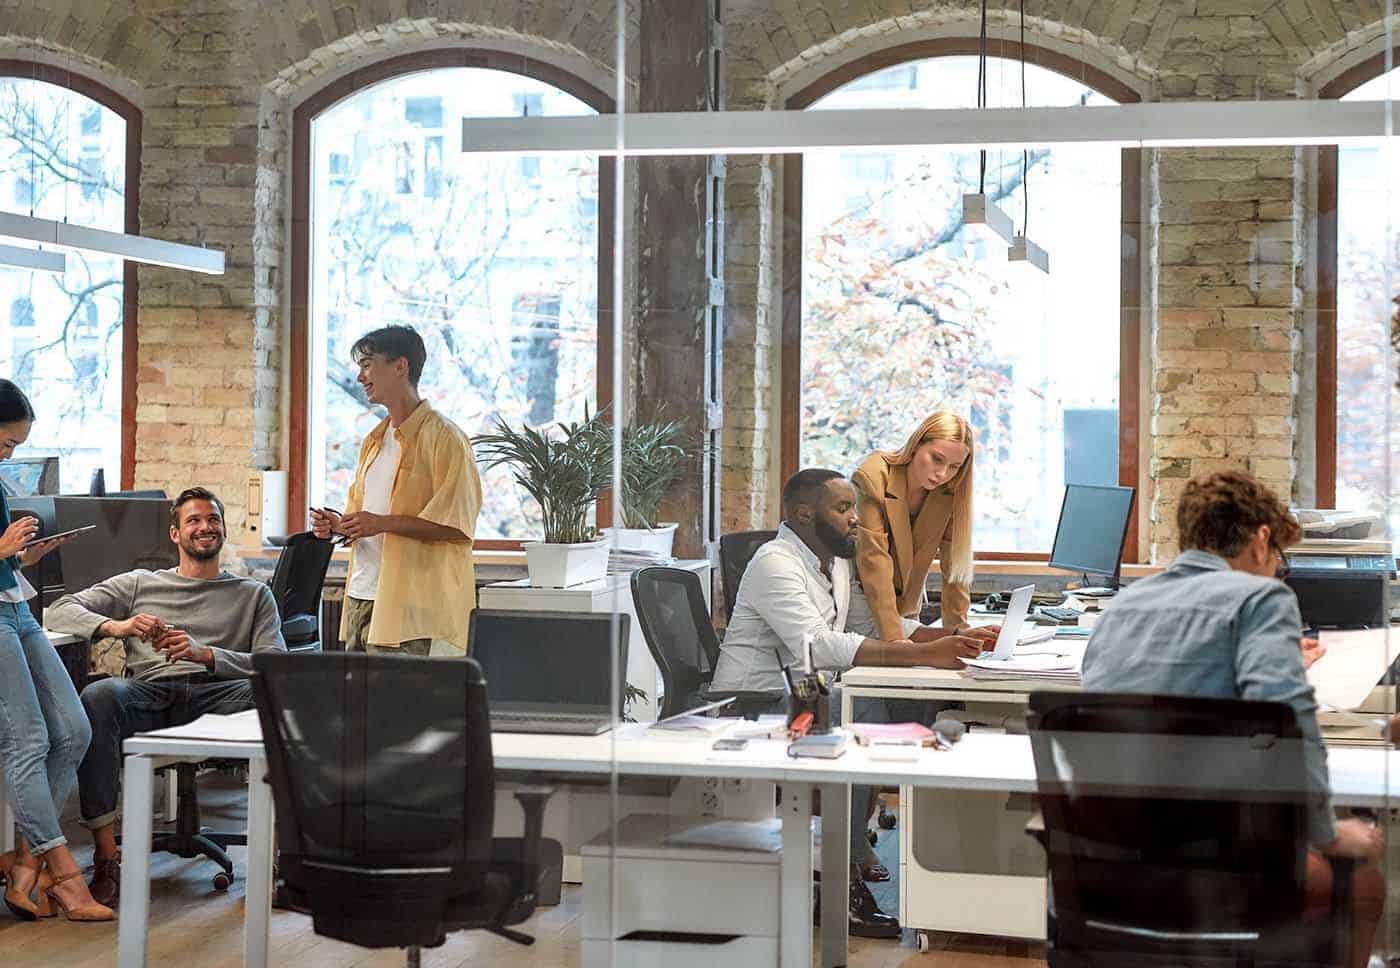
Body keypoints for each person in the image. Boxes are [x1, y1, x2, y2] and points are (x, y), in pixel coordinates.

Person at [1081, 470, 1385, 968]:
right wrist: (1327, 832)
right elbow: (1286, 722)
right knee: (1363, 874)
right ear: (1262, 540)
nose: (1276, 574)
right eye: (1279, 562)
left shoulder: (1121, 607)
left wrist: (1280, 661)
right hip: (1215, 864)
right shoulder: (1260, 599)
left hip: (1112, 862)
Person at [710, 468, 995, 939]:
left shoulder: (835, 564)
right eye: (842, 510)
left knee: (901, 702)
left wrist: (957, 638)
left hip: (804, 694)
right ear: (803, 513)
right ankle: (843, 886)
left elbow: (875, 625)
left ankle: (878, 855)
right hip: (753, 703)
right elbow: (817, 645)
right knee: (859, 708)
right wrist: (924, 656)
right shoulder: (774, 562)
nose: (855, 521)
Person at [46, 486, 286, 905]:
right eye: (194, 520)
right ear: (175, 534)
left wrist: (206, 654)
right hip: (150, 694)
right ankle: (106, 857)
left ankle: (280, 859)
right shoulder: (141, 583)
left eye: (213, 519)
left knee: (277, 698)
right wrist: (116, 627)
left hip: (219, 697)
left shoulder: (252, 594)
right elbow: (58, 610)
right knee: (101, 695)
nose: (205, 527)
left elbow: (276, 664)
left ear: (224, 529)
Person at [0, 380, 112, 922]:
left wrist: (24, 555)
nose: (10, 454)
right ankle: (64, 875)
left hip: (16, 609)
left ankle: (24, 864)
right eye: (5, 443)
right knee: (29, 741)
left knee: (74, 729)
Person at [311, 325, 481, 654]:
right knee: (356, 704)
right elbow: (364, 519)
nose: (360, 377)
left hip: (409, 607)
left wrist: (382, 523)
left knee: (400, 704)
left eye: (367, 365)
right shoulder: (374, 440)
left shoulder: (446, 438)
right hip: (361, 594)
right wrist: (337, 525)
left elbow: (458, 525)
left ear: (400, 367)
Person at [850, 411, 976, 642]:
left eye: (954, 467)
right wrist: (897, 643)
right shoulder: (873, 477)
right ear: (917, 444)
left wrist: (960, 635)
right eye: (937, 459)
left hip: (908, 615)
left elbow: (955, 568)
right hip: (863, 612)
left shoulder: (950, 493)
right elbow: (874, 563)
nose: (942, 474)